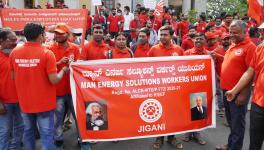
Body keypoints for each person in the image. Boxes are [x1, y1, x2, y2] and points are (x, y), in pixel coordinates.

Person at [10, 22, 69, 150]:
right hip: (44, 104)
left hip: (25, 102)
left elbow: (13, 77)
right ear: (41, 35)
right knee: (47, 135)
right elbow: (54, 80)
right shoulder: (47, 53)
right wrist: (63, 71)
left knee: (28, 133)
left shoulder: (14, 52)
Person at [216, 20, 256, 150]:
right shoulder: (234, 45)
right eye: (230, 32)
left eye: (236, 33)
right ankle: (230, 145)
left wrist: (244, 95)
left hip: (238, 93)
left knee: (238, 124)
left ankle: (235, 147)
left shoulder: (250, 47)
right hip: (226, 91)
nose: (232, 35)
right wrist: (216, 56)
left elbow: (251, 72)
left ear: (245, 32)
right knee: (232, 122)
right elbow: (232, 63)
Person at [148, 25, 184, 149]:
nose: (162, 37)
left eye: (165, 34)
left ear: (171, 35)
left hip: (174, 88)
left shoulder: (179, 50)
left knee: (173, 113)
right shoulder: (153, 49)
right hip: (158, 88)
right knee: (159, 113)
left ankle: (172, 137)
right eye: (161, 34)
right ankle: (159, 138)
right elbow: (147, 68)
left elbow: (183, 68)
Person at [225, 43, 264, 150]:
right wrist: (235, 90)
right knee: (255, 141)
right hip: (258, 104)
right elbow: (249, 72)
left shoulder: (251, 46)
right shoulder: (260, 48)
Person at [47, 23, 80, 150]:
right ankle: (58, 141)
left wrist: (75, 65)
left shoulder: (75, 48)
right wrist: (58, 63)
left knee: (78, 117)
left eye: (61, 33)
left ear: (68, 34)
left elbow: (80, 67)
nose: (58, 35)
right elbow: (44, 68)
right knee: (58, 119)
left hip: (73, 90)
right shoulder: (49, 49)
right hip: (58, 91)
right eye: (56, 33)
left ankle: (83, 139)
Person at [0, 28, 24, 150]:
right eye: (12, 40)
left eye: (16, 39)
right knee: (5, 130)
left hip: (20, 101)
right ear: (1, 40)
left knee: (20, 127)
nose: (15, 42)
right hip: (4, 102)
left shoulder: (18, 54)